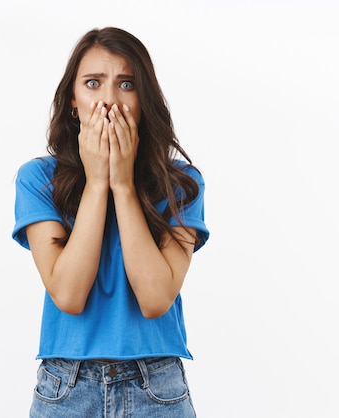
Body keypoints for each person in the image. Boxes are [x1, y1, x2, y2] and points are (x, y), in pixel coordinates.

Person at [12, 26, 209, 418]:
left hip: (157, 386)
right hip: (66, 388)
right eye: (92, 83)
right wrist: (97, 181)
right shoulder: (37, 179)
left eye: (126, 84)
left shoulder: (182, 184)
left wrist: (122, 183)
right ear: (72, 101)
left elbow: (155, 299)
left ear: (143, 99)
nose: (108, 101)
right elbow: (68, 294)